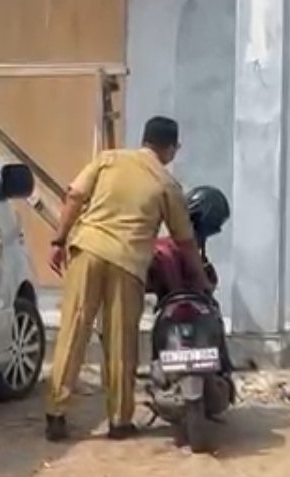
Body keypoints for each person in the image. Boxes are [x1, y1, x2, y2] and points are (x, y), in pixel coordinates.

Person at [44, 117, 211, 442]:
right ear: (170, 149)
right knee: (121, 339)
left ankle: (55, 413)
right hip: (127, 262)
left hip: (87, 250)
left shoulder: (108, 160)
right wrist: (200, 276)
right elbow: (184, 240)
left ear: (144, 139)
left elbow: (74, 196)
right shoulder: (166, 183)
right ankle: (119, 421)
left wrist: (59, 240)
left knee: (73, 330)